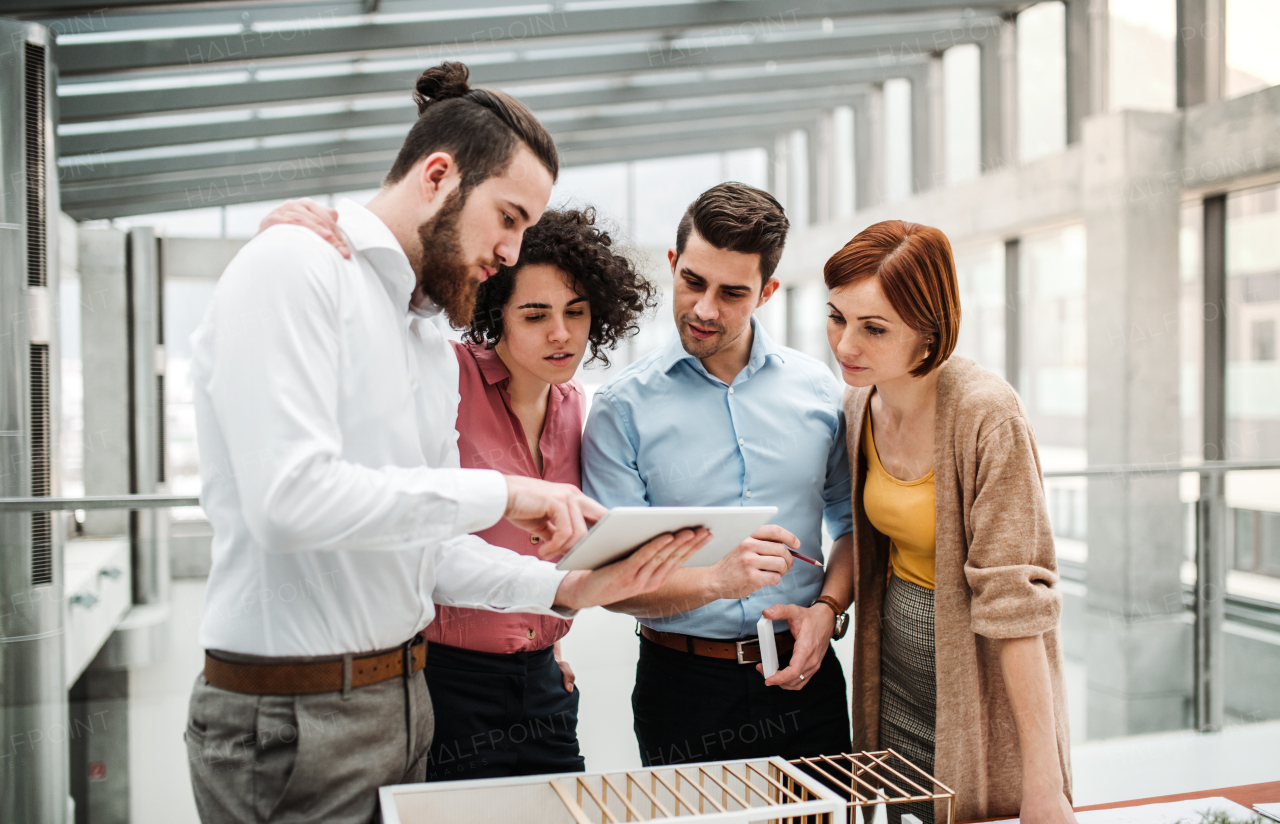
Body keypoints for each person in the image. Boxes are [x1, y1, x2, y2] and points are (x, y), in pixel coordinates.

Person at [186, 62, 708, 824]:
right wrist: (506, 493)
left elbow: (426, 545)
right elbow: (287, 503)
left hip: (405, 702)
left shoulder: (425, 336)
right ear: (438, 176)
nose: (510, 250)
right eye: (508, 217)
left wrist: (566, 589)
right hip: (291, 715)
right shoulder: (295, 267)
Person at [581, 182, 857, 768]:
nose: (706, 309)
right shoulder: (619, 408)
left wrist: (827, 611)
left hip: (808, 679)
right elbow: (611, 580)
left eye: (732, 293)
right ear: (674, 264)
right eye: (694, 282)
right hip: (683, 692)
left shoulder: (819, 393)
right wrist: (718, 580)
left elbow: (853, 527)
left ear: (767, 292)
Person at [823, 220, 1074, 824]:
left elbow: (1017, 606)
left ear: (929, 334)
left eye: (874, 328)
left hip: (977, 685)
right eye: (837, 318)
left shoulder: (988, 414)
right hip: (893, 674)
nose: (845, 346)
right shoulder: (861, 401)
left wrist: (1047, 786)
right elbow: (863, 541)